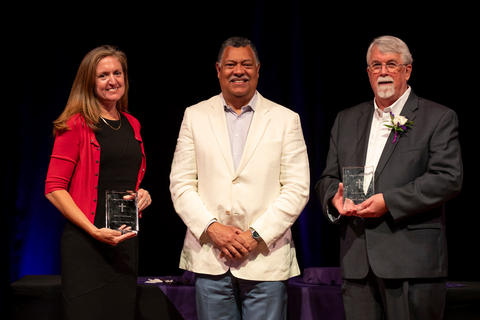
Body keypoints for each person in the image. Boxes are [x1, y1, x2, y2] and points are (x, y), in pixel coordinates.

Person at [315, 35, 463, 319]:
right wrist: (334, 198)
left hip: (411, 263)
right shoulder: (346, 119)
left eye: (391, 65)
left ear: (407, 70)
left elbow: (448, 178)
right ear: (368, 72)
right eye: (376, 65)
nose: (383, 72)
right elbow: (328, 179)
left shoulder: (438, 117)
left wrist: (389, 201)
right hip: (357, 263)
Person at [169, 36, 310, 320]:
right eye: (231, 64)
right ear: (218, 69)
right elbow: (181, 184)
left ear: (258, 69)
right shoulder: (195, 116)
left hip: (265, 259)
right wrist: (212, 228)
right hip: (211, 257)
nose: (239, 70)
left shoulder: (285, 119)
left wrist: (255, 235)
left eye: (246, 64)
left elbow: (297, 188)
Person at [45, 45, 152, 320]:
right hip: (86, 245)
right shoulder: (75, 124)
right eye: (103, 75)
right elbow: (54, 188)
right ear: (89, 82)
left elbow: (127, 177)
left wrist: (142, 194)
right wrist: (93, 231)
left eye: (117, 73)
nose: (112, 80)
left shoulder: (132, 123)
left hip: (124, 244)